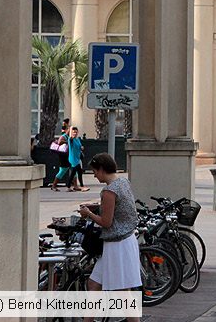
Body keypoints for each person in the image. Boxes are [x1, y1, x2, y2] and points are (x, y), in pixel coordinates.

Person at [78, 153, 141, 322]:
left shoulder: (109, 190)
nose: (94, 175)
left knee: (123, 293)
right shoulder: (123, 182)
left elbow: (106, 222)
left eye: (95, 171)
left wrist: (88, 213)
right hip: (124, 241)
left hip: (116, 245)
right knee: (94, 284)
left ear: (101, 169)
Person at [66, 127, 89, 192]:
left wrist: (81, 148)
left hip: (77, 158)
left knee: (74, 173)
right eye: (73, 132)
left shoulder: (77, 139)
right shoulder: (70, 139)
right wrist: (70, 132)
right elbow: (70, 140)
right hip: (73, 158)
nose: (75, 133)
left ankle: (69, 186)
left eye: (76, 132)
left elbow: (80, 146)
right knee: (79, 172)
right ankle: (82, 186)